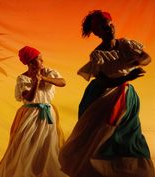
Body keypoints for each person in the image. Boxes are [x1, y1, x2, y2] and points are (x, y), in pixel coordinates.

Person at [59, 10, 154, 177]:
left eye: (109, 24)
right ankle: (99, 170)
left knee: (128, 133)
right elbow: (104, 81)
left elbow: (146, 58)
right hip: (103, 95)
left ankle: (131, 171)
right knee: (100, 135)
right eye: (103, 27)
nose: (108, 28)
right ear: (96, 33)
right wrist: (127, 76)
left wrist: (139, 61)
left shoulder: (126, 45)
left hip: (126, 95)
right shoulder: (98, 55)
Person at [0, 46, 68, 177]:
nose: (42, 60)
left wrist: (44, 79)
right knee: (27, 144)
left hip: (47, 114)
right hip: (30, 115)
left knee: (48, 144)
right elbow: (28, 97)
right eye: (39, 59)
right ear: (31, 63)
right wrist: (35, 83)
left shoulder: (48, 72)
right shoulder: (22, 78)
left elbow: (62, 82)